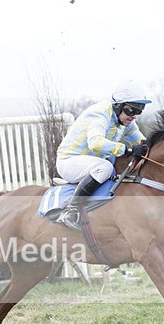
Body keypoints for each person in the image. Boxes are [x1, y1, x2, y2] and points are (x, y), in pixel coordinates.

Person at [54, 81, 151, 229]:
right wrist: (129, 150)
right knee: (105, 167)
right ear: (118, 106)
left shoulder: (126, 122)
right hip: (68, 162)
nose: (134, 116)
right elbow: (96, 143)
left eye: (139, 111)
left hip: (91, 164)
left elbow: (143, 143)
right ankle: (70, 211)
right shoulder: (99, 114)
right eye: (131, 111)